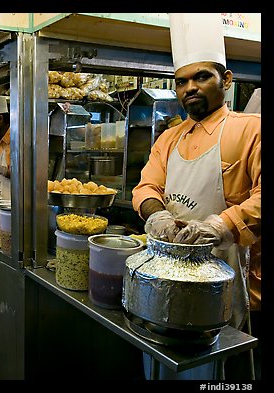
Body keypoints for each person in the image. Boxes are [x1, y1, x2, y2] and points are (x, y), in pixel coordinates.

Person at [131, 13, 260, 380]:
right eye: (182, 81)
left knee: (213, 366)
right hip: (164, 269)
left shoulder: (250, 130)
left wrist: (220, 226)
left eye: (202, 76)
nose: (190, 87)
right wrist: (156, 216)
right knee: (161, 358)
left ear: (227, 80)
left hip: (225, 270)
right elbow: (146, 187)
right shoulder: (168, 139)